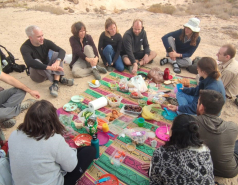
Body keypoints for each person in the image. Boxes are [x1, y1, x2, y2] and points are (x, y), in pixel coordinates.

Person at [8, 100, 96, 185]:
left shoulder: (14, 134)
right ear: (53, 120)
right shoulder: (54, 140)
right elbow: (71, 167)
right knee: (90, 150)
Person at [142, 114, 214, 185]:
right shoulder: (205, 151)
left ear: (173, 132)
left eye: (171, 126)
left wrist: (154, 167)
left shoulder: (161, 154)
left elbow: (155, 182)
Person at [194, 89, 238, 178]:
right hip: (228, 171)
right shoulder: (233, 127)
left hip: (200, 168)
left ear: (201, 107)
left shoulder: (191, 122)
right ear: (220, 109)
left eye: (198, 102)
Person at [20, 25, 74, 97]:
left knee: (57, 54)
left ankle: (55, 84)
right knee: (36, 61)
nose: (42, 38)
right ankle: (60, 79)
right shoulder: (25, 48)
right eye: (39, 37)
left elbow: (61, 50)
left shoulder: (45, 42)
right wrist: (50, 68)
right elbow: (30, 62)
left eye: (42, 35)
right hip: (38, 76)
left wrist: (57, 61)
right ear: (31, 37)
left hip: (48, 68)